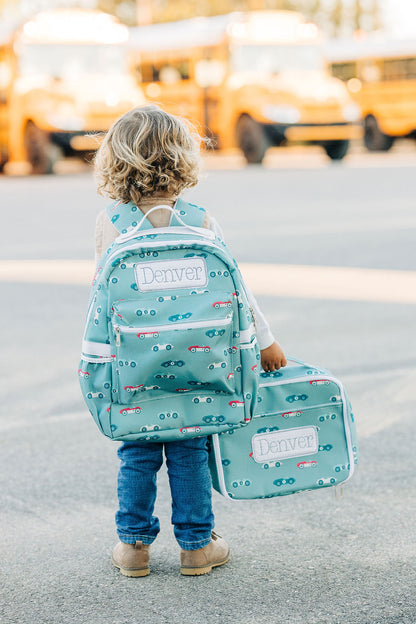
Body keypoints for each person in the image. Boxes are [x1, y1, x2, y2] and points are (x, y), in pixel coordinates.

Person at [93, 105, 287, 577]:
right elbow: (238, 290)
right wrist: (266, 341)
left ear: (116, 161)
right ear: (184, 159)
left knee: (137, 448)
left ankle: (133, 548)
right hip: (201, 366)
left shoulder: (111, 223)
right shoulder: (201, 222)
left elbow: (101, 299)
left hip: (135, 366)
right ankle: (197, 546)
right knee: (190, 446)